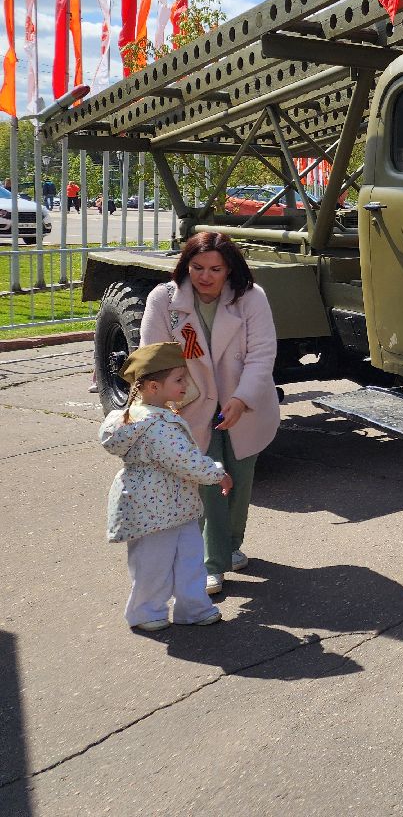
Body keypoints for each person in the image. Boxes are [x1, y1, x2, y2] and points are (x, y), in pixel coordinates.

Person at [139, 232, 280, 596]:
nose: (205, 276)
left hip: (244, 406)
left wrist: (242, 399)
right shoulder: (164, 300)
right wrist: (162, 402)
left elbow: (262, 355)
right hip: (190, 407)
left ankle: (230, 545)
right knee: (211, 481)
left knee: (241, 481)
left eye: (215, 269)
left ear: (229, 269)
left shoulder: (251, 298)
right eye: (197, 267)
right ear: (185, 266)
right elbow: (152, 357)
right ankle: (211, 563)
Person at [102, 341, 232, 632]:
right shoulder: (155, 425)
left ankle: (193, 607)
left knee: (188, 558)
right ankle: (147, 611)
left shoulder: (153, 417)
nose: (185, 384)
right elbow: (184, 460)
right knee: (154, 564)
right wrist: (217, 472)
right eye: (178, 379)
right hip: (154, 508)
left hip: (176, 505)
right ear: (152, 386)